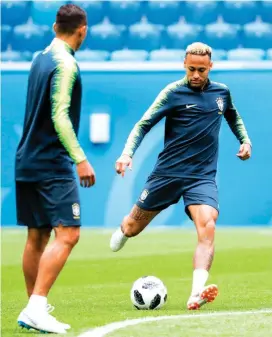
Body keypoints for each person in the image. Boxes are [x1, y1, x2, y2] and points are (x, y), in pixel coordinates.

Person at [110, 42, 252, 310]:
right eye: (191, 69)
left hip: (202, 177)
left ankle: (196, 293)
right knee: (132, 227)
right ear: (183, 66)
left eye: (201, 70)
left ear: (211, 67)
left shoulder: (222, 92)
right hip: (167, 174)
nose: (196, 75)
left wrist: (245, 141)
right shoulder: (173, 93)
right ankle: (124, 230)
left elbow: (233, 117)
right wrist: (127, 154)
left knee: (208, 224)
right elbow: (143, 124)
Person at [15, 4, 95, 334]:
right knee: (69, 233)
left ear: (53, 27)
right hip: (53, 163)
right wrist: (79, 158)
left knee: (37, 236)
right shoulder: (66, 64)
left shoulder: (39, 58)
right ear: (83, 30)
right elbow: (59, 115)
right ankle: (36, 306)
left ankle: (33, 307)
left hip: (27, 159)